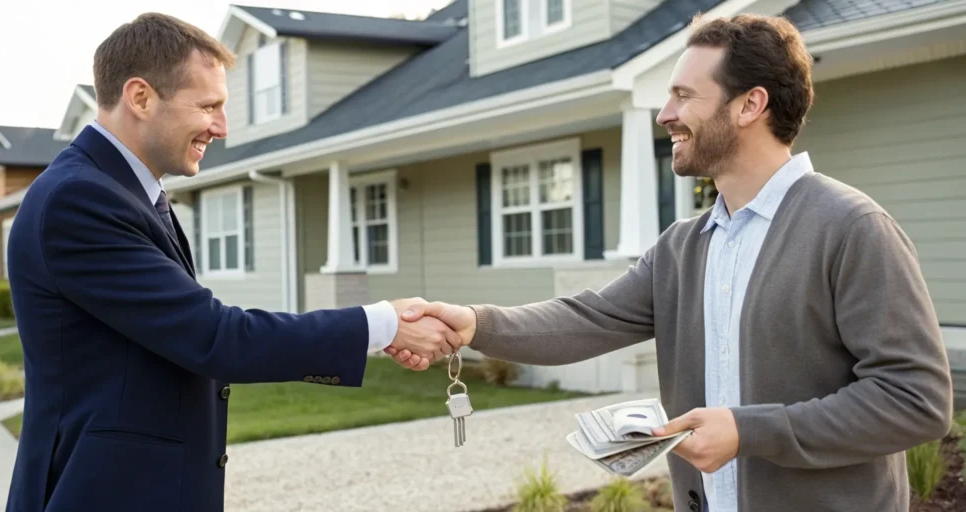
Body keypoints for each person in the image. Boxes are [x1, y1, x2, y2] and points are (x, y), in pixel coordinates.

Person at [393, 13, 953, 512]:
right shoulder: (684, 245)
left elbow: (915, 399)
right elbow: (586, 319)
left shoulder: (851, 229)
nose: (665, 114)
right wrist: (475, 323)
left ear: (749, 105)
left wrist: (747, 430)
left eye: (685, 96)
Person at [4, 13, 457, 512]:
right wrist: (383, 324)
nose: (220, 126)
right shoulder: (80, 200)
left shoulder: (121, 191)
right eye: (208, 106)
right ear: (140, 97)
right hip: (101, 492)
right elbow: (212, 337)